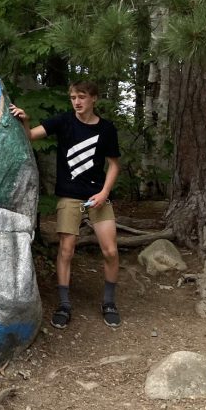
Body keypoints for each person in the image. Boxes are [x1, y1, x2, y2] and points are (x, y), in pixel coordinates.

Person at [9, 81, 121, 329]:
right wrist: (25, 119)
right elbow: (29, 136)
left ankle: (109, 302)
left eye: (81, 97)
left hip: (97, 196)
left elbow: (114, 164)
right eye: (72, 98)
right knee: (66, 250)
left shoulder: (106, 129)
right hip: (69, 196)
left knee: (110, 251)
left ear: (94, 99)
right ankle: (64, 304)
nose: (77, 102)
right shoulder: (64, 121)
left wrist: (104, 193)